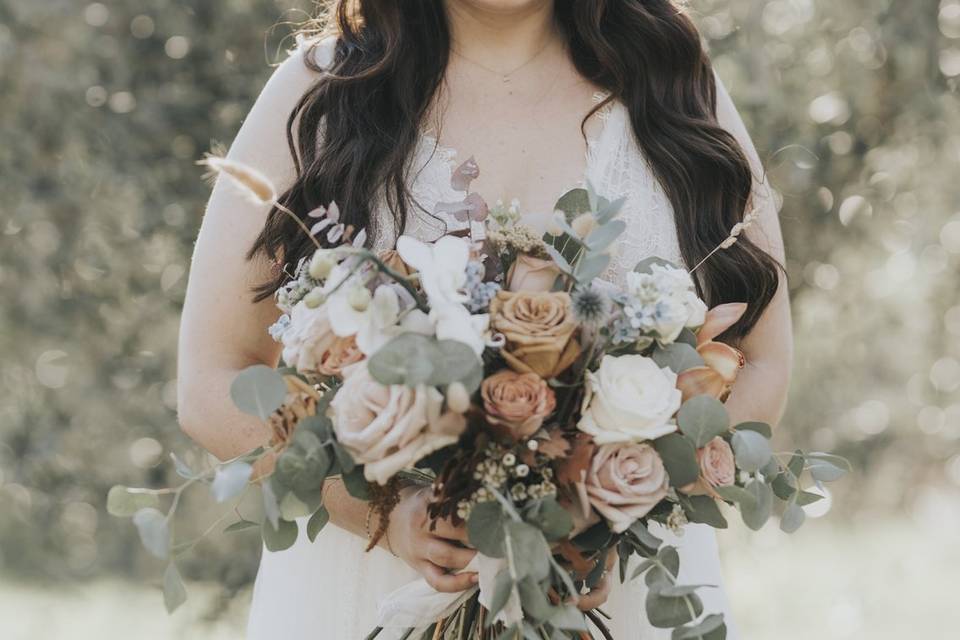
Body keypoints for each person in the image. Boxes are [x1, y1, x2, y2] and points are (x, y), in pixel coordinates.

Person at [177, 1, 793, 637]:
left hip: (627, 601)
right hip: (367, 591)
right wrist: (382, 513)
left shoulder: (673, 80)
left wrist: (621, 502)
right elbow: (209, 382)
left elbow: (763, 358)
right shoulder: (322, 91)